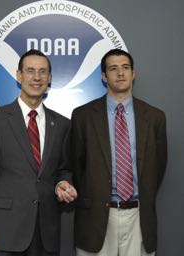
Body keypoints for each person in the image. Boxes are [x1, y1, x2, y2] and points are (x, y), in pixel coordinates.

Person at [0, 49, 77, 256]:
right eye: (30, 71)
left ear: (49, 78)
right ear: (19, 75)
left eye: (42, 72)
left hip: (46, 233)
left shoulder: (62, 124)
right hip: (6, 231)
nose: (37, 77)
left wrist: (62, 183)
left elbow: (63, 169)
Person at [71, 49, 167, 256]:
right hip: (96, 218)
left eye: (125, 68)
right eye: (113, 69)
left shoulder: (155, 117)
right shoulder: (83, 116)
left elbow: (158, 167)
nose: (120, 73)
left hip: (138, 217)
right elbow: (76, 166)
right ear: (104, 77)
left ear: (134, 73)